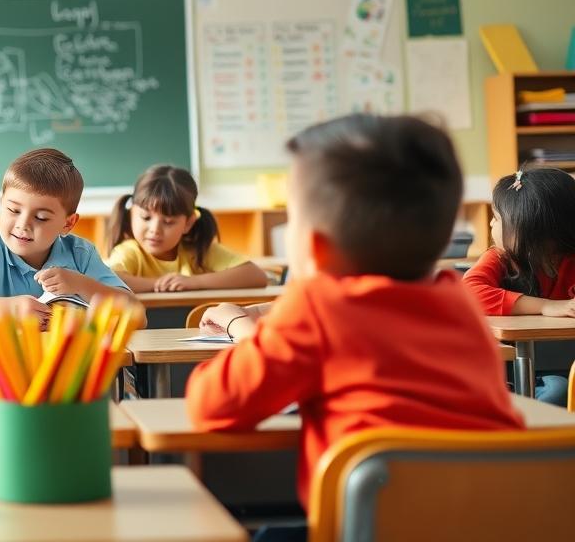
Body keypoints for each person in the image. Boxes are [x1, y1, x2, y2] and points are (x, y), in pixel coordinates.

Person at [187, 115, 522, 539]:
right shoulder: (458, 301)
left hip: (371, 527)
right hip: (484, 523)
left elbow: (210, 404)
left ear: (314, 248)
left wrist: (242, 324)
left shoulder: (317, 306)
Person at [0, 148, 133, 327]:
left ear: (68, 224)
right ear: (1, 204)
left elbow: (135, 313)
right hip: (3, 354)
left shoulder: (81, 254)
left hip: (69, 353)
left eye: (41, 218)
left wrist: (82, 285)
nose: (23, 224)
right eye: (13, 210)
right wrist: (12, 309)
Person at [463, 167, 575, 405]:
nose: (491, 223)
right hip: (513, 373)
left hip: (567, 365)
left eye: (497, 218)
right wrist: (546, 306)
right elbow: (468, 293)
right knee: (556, 389)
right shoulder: (500, 258)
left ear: (530, 229)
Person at [104, 164, 267, 292]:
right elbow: (108, 280)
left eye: (168, 222)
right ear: (132, 213)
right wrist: (160, 284)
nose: (155, 229)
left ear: (188, 223)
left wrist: (194, 282)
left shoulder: (198, 250)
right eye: (146, 218)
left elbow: (255, 275)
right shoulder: (129, 252)